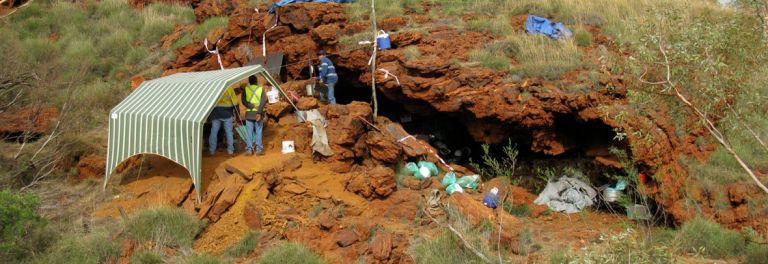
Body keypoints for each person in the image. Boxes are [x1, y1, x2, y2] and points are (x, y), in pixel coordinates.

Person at [242, 75, 268, 155]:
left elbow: (243, 101)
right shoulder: (261, 89)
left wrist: (250, 106)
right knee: (258, 131)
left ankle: (249, 150)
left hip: (249, 114)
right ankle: (259, 150)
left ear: (249, 82)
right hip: (258, 114)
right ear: (256, 81)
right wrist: (259, 113)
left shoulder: (246, 89)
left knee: (249, 132)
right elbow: (264, 101)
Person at [208, 86, 238, 156]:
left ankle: (212, 151)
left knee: (214, 132)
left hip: (215, 114)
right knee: (229, 132)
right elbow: (235, 103)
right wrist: (237, 115)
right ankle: (230, 151)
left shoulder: (215, 88)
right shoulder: (229, 88)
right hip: (227, 114)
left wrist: (209, 116)